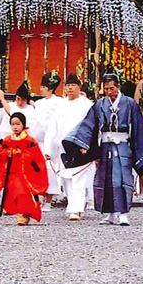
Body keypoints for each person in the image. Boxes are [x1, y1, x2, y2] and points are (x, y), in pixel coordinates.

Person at [62, 72, 143, 227]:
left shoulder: (130, 103)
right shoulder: (99, 104)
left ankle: (123, 214)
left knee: (123, 180)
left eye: (112, 88)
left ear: (118, 87)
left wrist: (139, 148)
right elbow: (88, 124)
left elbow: (139, 127)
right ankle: (109, 214)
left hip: (123, 145)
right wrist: (83, 144)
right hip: (105, 146)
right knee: (105, 180)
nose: (109, 92)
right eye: (106, 89)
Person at [44, 72, 94, 221]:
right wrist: (48, 149)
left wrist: (88, 145)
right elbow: (53, 127)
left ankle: (77, 209)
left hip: (80, 145)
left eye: (73, 85)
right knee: (67, 178)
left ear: (79, 87)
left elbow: (91, 126)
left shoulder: (87, 105)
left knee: (79, 177)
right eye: (68, 86)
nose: (70, 88)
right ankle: (72, 205)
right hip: (63, 147)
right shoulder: (61, 104)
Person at [0, 112, 48, 226]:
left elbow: (35, 156)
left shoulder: (30, 141)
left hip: (25, 173)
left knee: (23, 193)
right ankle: (21, 212)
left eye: (17, 124)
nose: (15, 127)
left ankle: (24, 214)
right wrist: (8, 153)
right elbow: (0, 153)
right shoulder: (7, 140)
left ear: (23, 125)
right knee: (14, 194)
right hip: (12, 173)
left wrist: (21, 154)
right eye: (13, 124)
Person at [29, 71, 65, 211]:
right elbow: (35, 121)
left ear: (50, 88)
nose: (41, 89)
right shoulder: (39, 103)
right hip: (39, 139)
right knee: (38, 170)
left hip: (52, 139)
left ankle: (49, 200)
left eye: (43, 87)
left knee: (51, 169)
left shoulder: (59, 102)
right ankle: (39, 197)